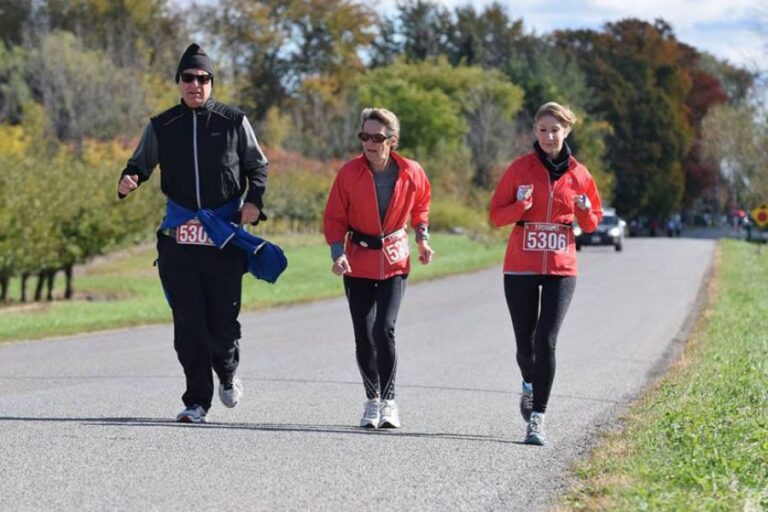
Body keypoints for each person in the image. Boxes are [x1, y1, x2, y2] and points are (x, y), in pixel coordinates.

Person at [117, 43, 281, 424]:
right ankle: (196, 401)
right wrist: (129, 179)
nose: (196, 85)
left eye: (203, 79)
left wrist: (254, 201)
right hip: (179, 239)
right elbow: (140, 163)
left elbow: (257, 166)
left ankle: (227, 371)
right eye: (189, 78)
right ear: (179, 82)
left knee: (221, 326)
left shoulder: (233, 121)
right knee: (188, 324)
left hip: (222, 238)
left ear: (211, 83)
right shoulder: (162, 125)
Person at [489, 102, 603, 445]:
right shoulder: (519, 169)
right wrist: (520, 206)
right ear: (535, 131)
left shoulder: (580, 175)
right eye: (543, 130)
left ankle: (537, 419)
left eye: (555, 130)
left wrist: (585, 211)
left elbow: (592, 223)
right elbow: (496, 216)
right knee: (526, 348)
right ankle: (528, 382)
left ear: (566, 132)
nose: (549, 137)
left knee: (546, 340)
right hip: (520, 266)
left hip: (561, 267)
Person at [323, 107, 434, 429]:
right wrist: (337, 253)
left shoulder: (411, 171)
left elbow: (422, 206)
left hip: (395, 259)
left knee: (383, 328)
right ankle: (372, 401)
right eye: (365, 136)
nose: (370, 143)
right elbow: (334, 218)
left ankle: (389, 401)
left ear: (392, 141)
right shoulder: (349, 173)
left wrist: (422, 239)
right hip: (358, 260)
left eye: (377, 138)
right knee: (364, 335)